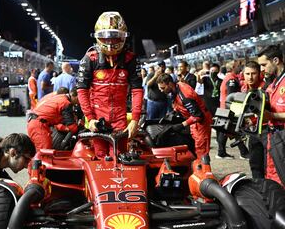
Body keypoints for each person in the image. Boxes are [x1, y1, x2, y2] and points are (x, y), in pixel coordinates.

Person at [76, 11, 143, 158]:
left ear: (123, 36)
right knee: (100, 156)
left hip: (120, 118)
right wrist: (90, 117)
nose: (111, 41)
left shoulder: (130, 59)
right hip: (97, 118)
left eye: (115, 36)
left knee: (120, 156)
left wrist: (135, 120)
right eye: (106, 36)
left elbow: (137, 90)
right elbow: (82, 90)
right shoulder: (90, 59)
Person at [157, 73, 212, 159]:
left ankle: (204, 170)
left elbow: (198, 116)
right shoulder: (176, 88)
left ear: (170, 84)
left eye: (163, 88)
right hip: (192, 121)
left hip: (201, 123)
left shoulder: (185, 94)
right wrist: (172, 114)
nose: (160, 90)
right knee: (194, 147)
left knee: (201, 149)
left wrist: (181, 125)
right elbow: (178, 104)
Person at [258, 45, 285, 186]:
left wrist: (272, 115)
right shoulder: (273, 83)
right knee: (273, 178)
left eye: (264, 65)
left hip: (282, 136)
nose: (262, 69)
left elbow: (273, 113)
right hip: (274, 136)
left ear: (276, 60)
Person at [216, 60, 249, 160]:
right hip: (230, 109)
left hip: (225, 108)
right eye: (238, 65)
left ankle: (222, 152)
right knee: (234, 130)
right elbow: (232, 96)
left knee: (226, 131)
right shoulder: (232, 80)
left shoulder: (229, 78)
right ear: (233, 67)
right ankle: (243, 153)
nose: (240, 66)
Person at [241, 61, 266, 179]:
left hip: (267, 132)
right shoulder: (244, 88)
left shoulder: (266, 89)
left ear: (259, 74)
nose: (250, 77)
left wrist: (253, 120)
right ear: (243, 74)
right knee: (255, 165)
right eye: (247, 74)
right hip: (253, 134)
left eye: (253, 73)